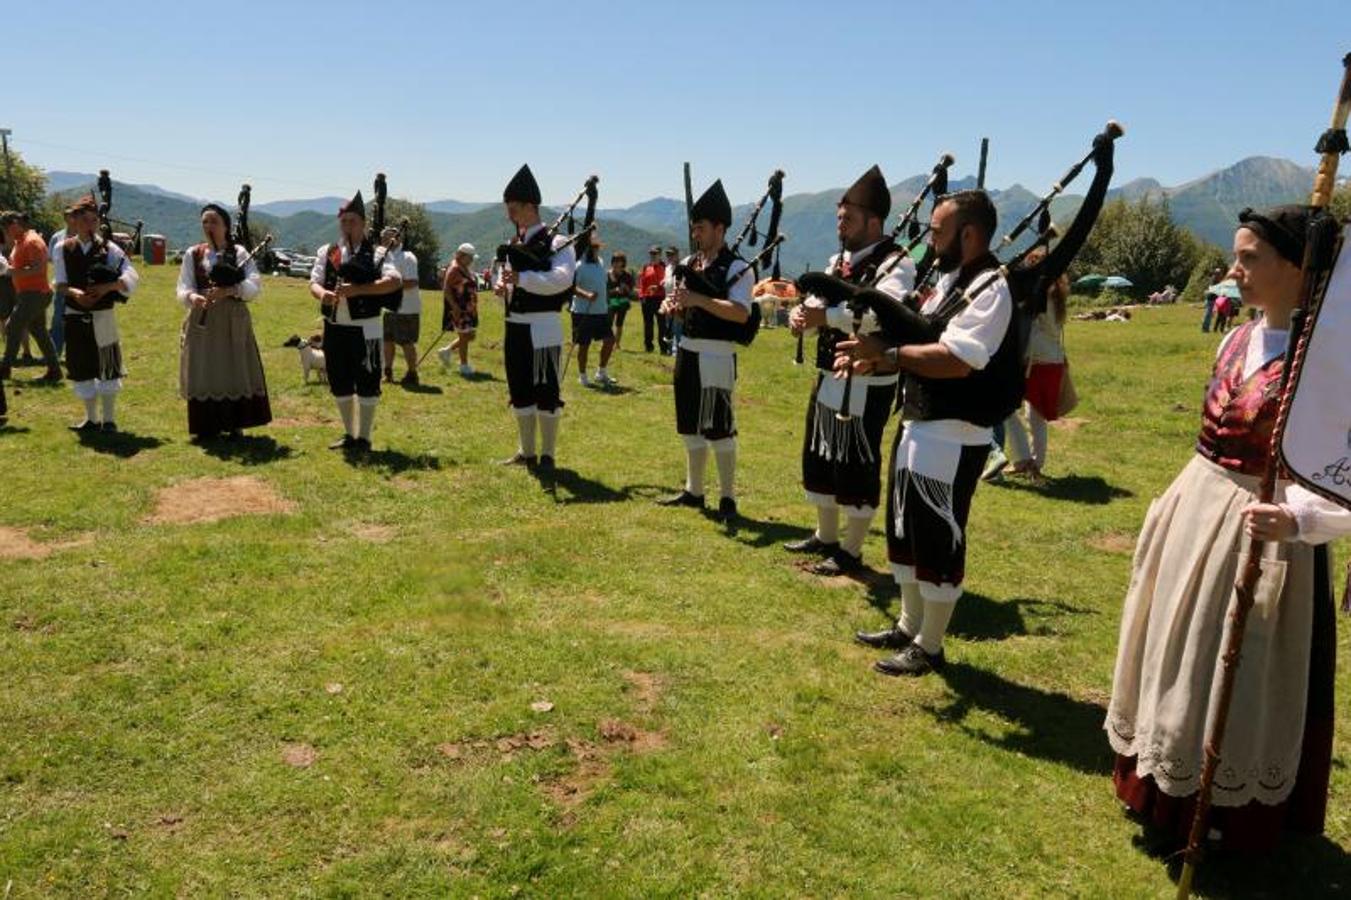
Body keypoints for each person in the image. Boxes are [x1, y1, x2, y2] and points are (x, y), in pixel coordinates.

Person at [1106, 205, 1351, 854]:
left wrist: (1297, 518)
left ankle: (1221, 815)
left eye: (1249, 258)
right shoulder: (1236, 338)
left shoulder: (1326, 365)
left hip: (1264, 531)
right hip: (1195, 511)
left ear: (1298, 268)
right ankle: (1161, 789)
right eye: (1235, 255)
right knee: (1175, 653)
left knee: (1236, 671)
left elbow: (1339, 473)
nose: (1232, 269)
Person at [843, 190, 1019, 676]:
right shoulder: (950, 282)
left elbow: (959, 360)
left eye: (938, 231)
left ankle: (932, 644)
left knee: (937, 535)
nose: (930, 240)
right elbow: (921, 332)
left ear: (968, 234)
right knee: (906, 530)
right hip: (920, 421)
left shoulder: (991, 287)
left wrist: (889, 358)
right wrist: (872, 347)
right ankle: (908, 624)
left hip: (955, 430)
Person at [785, 165, 915, 576]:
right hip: (829, 373)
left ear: (874, 221)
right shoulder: (836, 260)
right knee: (820, 454)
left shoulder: (897, 263)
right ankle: (825, 536)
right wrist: (799, 314)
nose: (841, 223)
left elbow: (882, 316)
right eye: (839, 216)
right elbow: (816, 303)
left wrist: (826, 318)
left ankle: (852, 550)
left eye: (849, 218)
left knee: (856, 463)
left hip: (869, 376)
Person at [657, 179, 752, 523]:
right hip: (688, 350)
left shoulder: (738, 268)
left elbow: (741, 313)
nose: (696, 234)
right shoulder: (689, 263)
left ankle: (727, 498)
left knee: (719, 426)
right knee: (688, 423)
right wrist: (676, 307)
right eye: (693, 228)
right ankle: (694, 490)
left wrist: (697, 299)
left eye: (701, 228)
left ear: (720, 228)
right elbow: (685, 307)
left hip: (717, 355)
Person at [495, 164, 577, 471]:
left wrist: (522, 279)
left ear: (531, 206)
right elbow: (502, 278)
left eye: (514, 209)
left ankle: (548, 455)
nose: (510, 216)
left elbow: (563, 279)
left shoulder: (556, 243)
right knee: (519, 389)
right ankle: (526, 451)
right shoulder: (513, 244)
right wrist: (502, 286)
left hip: (544, 326)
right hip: (514, 325)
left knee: (546, 391)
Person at [308, 191, 402, 452]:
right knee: (339, 381)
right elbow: (314, 282)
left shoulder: (378, 253)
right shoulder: (329, 252)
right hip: (335, 327)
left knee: (368, 382)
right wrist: (324, 294)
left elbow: (394, 281)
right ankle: (350, 434)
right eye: (344, 221)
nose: (347, 226)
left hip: (367, 329)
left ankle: (365, 438)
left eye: (352, 221)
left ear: (363, 224)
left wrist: (358, 290)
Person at [176, 202, 271, 441]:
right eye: (205, 222)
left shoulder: (238, 253)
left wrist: (230, 289)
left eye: (214, 222)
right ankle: (206, 426)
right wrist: (193, 297)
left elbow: (254, 286)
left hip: (233, 319)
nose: (209, 226)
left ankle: (235, 423)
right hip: (203, 319)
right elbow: (183, 286)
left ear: (226, 226)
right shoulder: (193, 254)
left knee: (233, 366)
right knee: (204, 368)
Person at [52, 194, 140, 432]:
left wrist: (107, 287)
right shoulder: (62, 248)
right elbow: (59, 284)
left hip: (103, 316)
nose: (90, 225)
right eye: (85, 220)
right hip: (74, 313)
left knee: (107, 365)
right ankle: (91, 419)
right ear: (75, 221)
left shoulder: (109, 248)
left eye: (94, 220)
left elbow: (131, 278)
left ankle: (109, 420)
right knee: (81, 365)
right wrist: (75, 294)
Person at [1003, 254, 1069, 480]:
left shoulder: (1043, 294)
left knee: (1006, 406)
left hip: (1036, 360)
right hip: (1051, 359)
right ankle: (1032, 463)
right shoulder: (1056, 294)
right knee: (1035, 416)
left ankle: (1025, 460)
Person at [0, 211, 61, 382]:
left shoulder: (32, 241)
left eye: (6, 228)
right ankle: (55, 371)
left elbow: (38, 269)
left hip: (35, 294)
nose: (5, 232)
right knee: (40, 332)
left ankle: (5, 368)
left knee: (13, 326)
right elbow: (20, 266)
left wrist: (11, 271)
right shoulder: (21, 241)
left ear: (14, 224)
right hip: (29, 294)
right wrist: (7, 267)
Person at [571, 237, 616, 387]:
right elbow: (571, 287)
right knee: (584, 345)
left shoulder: (600, 263)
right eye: (594, 248)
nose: (597, 251)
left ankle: (601, 372)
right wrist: (587, 295)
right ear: (587, 250)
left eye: (598, 248)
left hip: (600, 311)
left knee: (610, 341)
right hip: (582, 312)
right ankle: (582, 376)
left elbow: (602, 283)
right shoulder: (578, 266)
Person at [381, 227, 422, 386]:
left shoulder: (408, 257)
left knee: (406, 342)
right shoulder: (386, 257)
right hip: (390, 307)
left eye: (388, 237)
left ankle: (412, 373)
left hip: (406, 308)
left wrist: (390, 286)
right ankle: (388, 373)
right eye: (383, 237)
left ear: (397, 239)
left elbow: (412, 282)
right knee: (388, 340)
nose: (384, 240)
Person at [438, 243, 479, 376]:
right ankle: (463, 365)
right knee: (464, 335)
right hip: (460, 308)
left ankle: (446, 351)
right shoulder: (454, 268)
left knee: (470, 336)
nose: (472, 260)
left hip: (469, 307)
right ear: (462, 256)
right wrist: (454, 307)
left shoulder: (464, 267)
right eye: (470, 257)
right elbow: (446, 289)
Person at [48, 208, 77, 355]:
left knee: (76, 321)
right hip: (61, 285)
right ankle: (55, 353)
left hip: (79, 285)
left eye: (73, 215)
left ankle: (75, 353)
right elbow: (52, 260)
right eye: (68, 216)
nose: (71, 218)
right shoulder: (57, 237)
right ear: (65, 218)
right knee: (58, 319)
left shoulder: (84, 235)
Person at [639, 245, 669, 353]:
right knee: (648, 324)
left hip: (660, 299)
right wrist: (641, 296)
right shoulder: (646, 266)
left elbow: (667, 283)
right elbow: (642, 282)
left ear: (660, 255)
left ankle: (663, 348)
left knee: (662, 325)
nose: (653, 255)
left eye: (655, 254)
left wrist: (659, 287)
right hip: (647, 299)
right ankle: (648, 347)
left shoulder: (665, 267)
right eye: (651, 253)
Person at [607, 250, 634, 349]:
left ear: (623, 262)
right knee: (609, 323)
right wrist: (615, 290)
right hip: (611, 302)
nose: (617, 263)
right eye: (615, 261)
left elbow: (630, 290)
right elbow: (605, 290)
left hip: (623, 303)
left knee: (619, 323)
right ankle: (608, 342)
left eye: (619, 261)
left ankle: (617, 344)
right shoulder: (608, 274)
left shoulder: (627, 275)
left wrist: (625, 288)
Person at [662, 245, 682, 355]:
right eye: (667, 254)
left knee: (677, 327)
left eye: (671, 254)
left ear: (677, 255)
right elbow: (667, 280)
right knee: (668, 325)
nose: (669, 256)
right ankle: (669, 350)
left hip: (678, 301)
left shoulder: (682, 267)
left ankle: (678, 351)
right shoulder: (667, 268)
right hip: (667, 300)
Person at [1201, 265, 1225, 332]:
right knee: (1208, 313)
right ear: (1216, 273)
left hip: (1213, 298)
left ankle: (1206, 327)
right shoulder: (1214, 279)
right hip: (1211, 298)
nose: (1220, 274)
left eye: (1220, 273)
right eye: (1219, 273)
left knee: (1210, 314)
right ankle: (1205, 328)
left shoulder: (1216, 279)